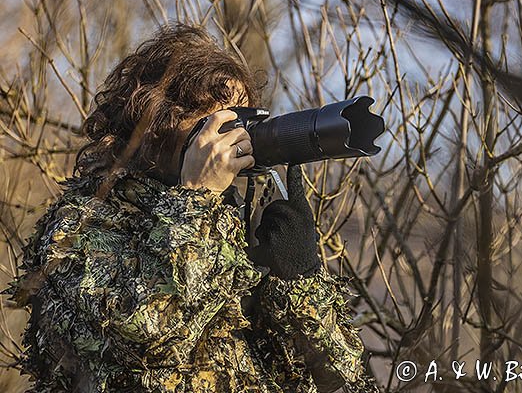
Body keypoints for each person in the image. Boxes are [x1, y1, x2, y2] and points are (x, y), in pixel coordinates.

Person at [6, 23, 378, 393]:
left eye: (241, 121)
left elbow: (343, 380)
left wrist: (301, 279)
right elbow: (147, 338)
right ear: (154, 123)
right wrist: (197, 198)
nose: (231, 140)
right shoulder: (81, 225)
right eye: (215, 124)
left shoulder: (230, 228)